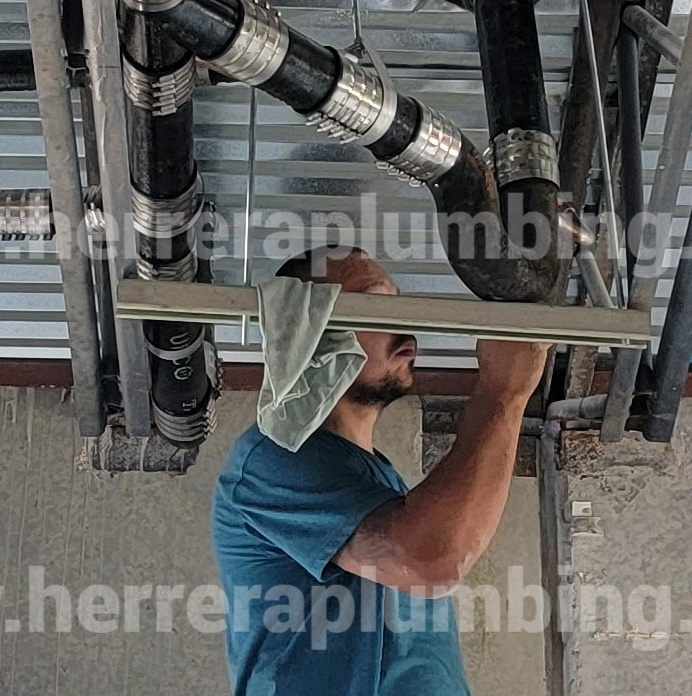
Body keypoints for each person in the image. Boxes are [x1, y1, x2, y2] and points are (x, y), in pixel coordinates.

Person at [209, 245, 552, 695]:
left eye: (398, 307)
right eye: (374, 305)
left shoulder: (381, 480)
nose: (403, 327)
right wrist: (503, 393)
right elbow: (431, 562)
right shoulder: (271, 459)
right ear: (308, 330)